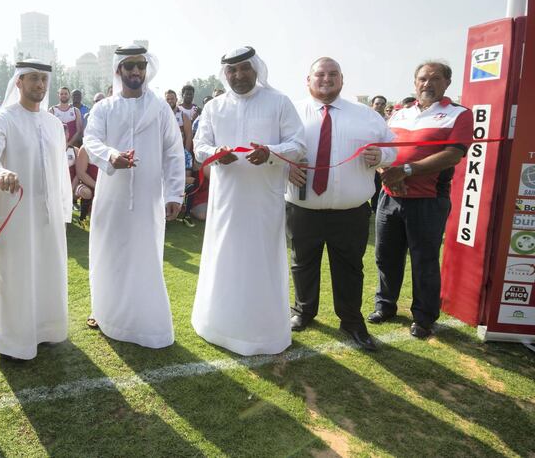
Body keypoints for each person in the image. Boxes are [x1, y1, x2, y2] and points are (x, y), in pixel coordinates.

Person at [191, 46, 305, 356]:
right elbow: (200, 146)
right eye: (232, 70)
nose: (238, 75)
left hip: (263, 201)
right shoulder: (214, 107)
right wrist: (216, 154)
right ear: (225, 74)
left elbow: (298, 143)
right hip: (225, 200)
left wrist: (270, 152)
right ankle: (218, 326)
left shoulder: (278, 102)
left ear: (256, 69)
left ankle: (262, 331)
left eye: (244, 69)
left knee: (260, 260)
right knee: (225, 255)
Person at [285, 58, 396, 351]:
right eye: (319, 74)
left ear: (342, 80)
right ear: (307, 80)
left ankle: (350, 320)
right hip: (302, 208)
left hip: (350, 211)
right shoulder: (289, 113)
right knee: (302, 262)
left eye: (333, 74)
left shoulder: (367, 116)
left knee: (349, 267)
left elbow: (393, 148)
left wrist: (382, 157)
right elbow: (273, 151)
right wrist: (284, 168)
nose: (326, 79)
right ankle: (303, 311)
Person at [83, 45, 185, 348]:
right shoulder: (104, 108)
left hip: (147, 197)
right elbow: (91, 140)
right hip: (111, 197)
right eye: (129, 67)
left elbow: (174, 152)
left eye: (140, 65)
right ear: (119, 70)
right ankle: (106, 314)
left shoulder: (159, 108)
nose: (136, 72)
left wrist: (175, 192)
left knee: (144, 257)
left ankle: (145, 322)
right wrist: (111, 156)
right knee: (110, 255)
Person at [371, 61, 472, 339]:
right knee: (385, 255)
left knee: (424, 260)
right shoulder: (400, 114)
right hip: (390, 196)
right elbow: (382, 150)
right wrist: (385, 172)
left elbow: (453, 154)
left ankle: (424, 317)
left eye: (435, 79)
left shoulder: (458, 114)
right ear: (415, 82)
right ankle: (385, 305)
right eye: (422, 79)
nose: (427, 83)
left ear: (447, 83)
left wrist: (405, 171)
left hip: (428, 200)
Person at [0, 59, 72, 360]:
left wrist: (62, 210)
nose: (40, 85)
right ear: (18, 82)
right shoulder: (4, 119)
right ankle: (15, 340)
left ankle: (46, 329)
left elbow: (59, 170)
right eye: (33, 78)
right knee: (16, 273)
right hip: (14, 214)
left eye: (44, 79)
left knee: (47, 268)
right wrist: (0, 173)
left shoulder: (53, 123)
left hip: (48, 216)